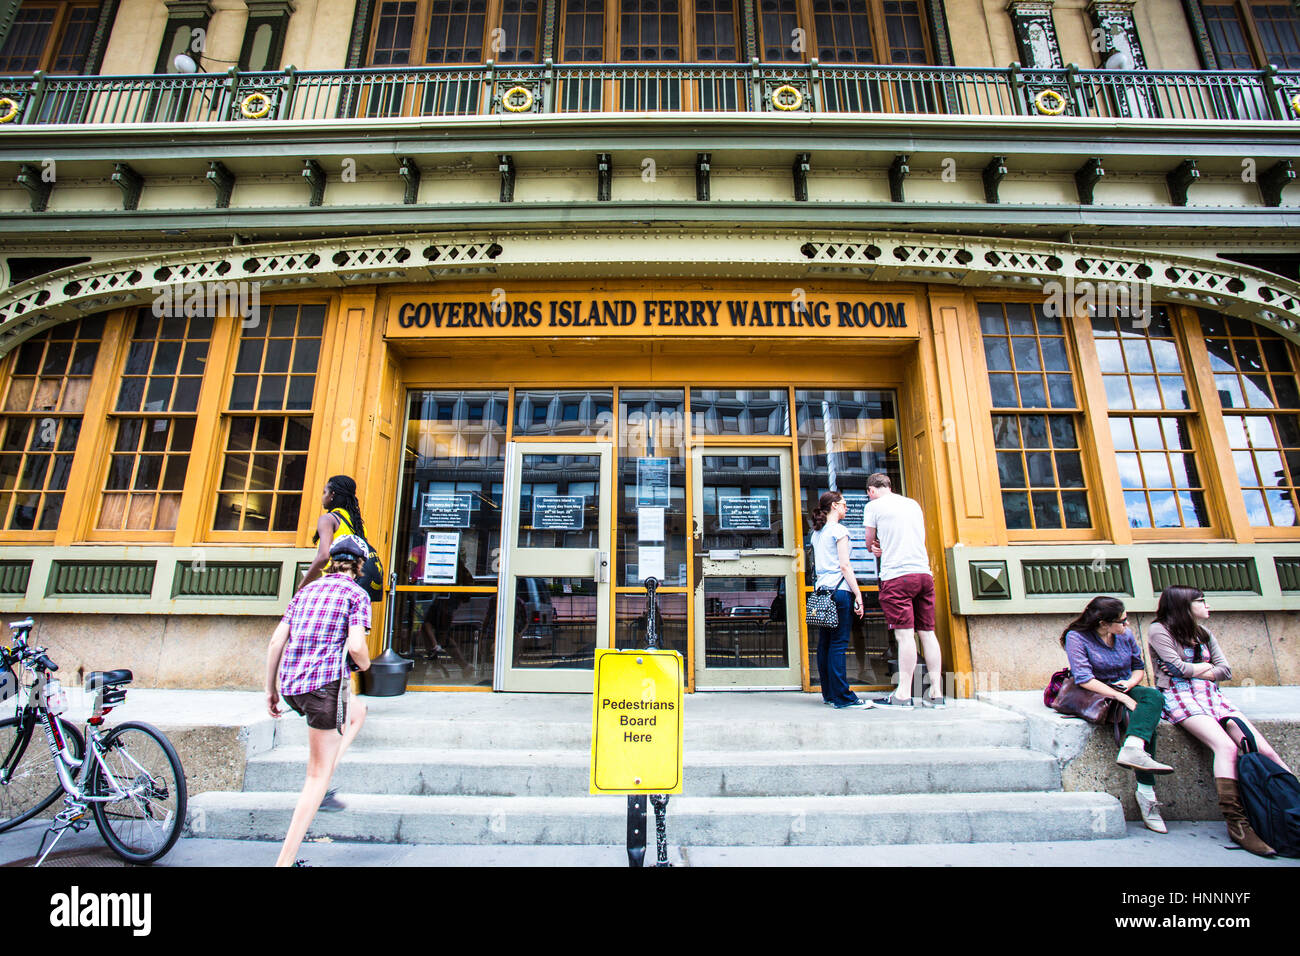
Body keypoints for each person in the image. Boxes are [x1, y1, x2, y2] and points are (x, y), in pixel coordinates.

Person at [1147, 585, 1292, 856]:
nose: (1207, 606)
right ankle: (1237, 824)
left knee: (1265, 749)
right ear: (1183, 606)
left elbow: (1225, 670)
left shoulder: (1203, 633)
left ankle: (1292, 801)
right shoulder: (1159, 630)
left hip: (1213, 696)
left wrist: (1196, 670)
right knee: (1226, 748)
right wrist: (1201, 669)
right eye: (1201, 601)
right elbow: (1177, 671)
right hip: (1180, 696)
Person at [265, 535, 373, 867]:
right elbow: (356, 647)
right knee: (315, 776)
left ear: (331, 561)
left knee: (358, 711)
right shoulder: (356, 594)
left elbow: (275, 642)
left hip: (292, 687)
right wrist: (366, 665)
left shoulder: (306, 591)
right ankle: (284, 861)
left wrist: (269, 690)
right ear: (358, 565)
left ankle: (327, 772)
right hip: (324, 689)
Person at [1061, 595, 1173, 833]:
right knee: (1139, 717)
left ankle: (1132, 747)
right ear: (1103, 623)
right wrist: (1121, 697)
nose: (1128, 624)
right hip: (1097, 692)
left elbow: (1138, 667)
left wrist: (1129, 685)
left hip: (1125, 686)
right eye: (1122, 620)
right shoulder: (1077, 637)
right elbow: (1084, 678)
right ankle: (1146, 793)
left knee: (1153, 698)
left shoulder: (1125, 636)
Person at [861, 473, 943, 707]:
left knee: (905, 635)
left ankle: (904, 693)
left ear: (871, 491)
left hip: (897, 576)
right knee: (928, 633)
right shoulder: (912, 504)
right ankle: (936, 691)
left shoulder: (874, 506)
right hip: (923, 573)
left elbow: (869, 542)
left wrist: (876, 547)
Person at [809, 491, 872, 709]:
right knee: (838, 644)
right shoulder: (839, 531)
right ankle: (843, 697)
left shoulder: (817, 534)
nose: (846, 508)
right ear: (834, 506)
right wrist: (858, 594)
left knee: (824, 644)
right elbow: (845, 566)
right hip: (839, 591)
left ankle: (829, 694)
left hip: (822, 591)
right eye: (844, 504)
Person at [299, 475, 368, 591]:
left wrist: (302, 586)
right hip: (352, 587)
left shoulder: (328, 519)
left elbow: (324, 556)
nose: (322, 497)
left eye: (324, 492)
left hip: (331, 586)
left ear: (332, 495)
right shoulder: (358, 526)